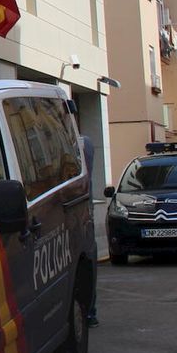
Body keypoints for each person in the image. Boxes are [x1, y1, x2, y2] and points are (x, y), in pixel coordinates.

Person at [80, 130, 99, 327]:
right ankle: (90, 312)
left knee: (85, 265)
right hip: (86, 215)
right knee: (88, 266)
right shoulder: (85, 143)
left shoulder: (83, 144)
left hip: (83, 217)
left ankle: (90, 311)